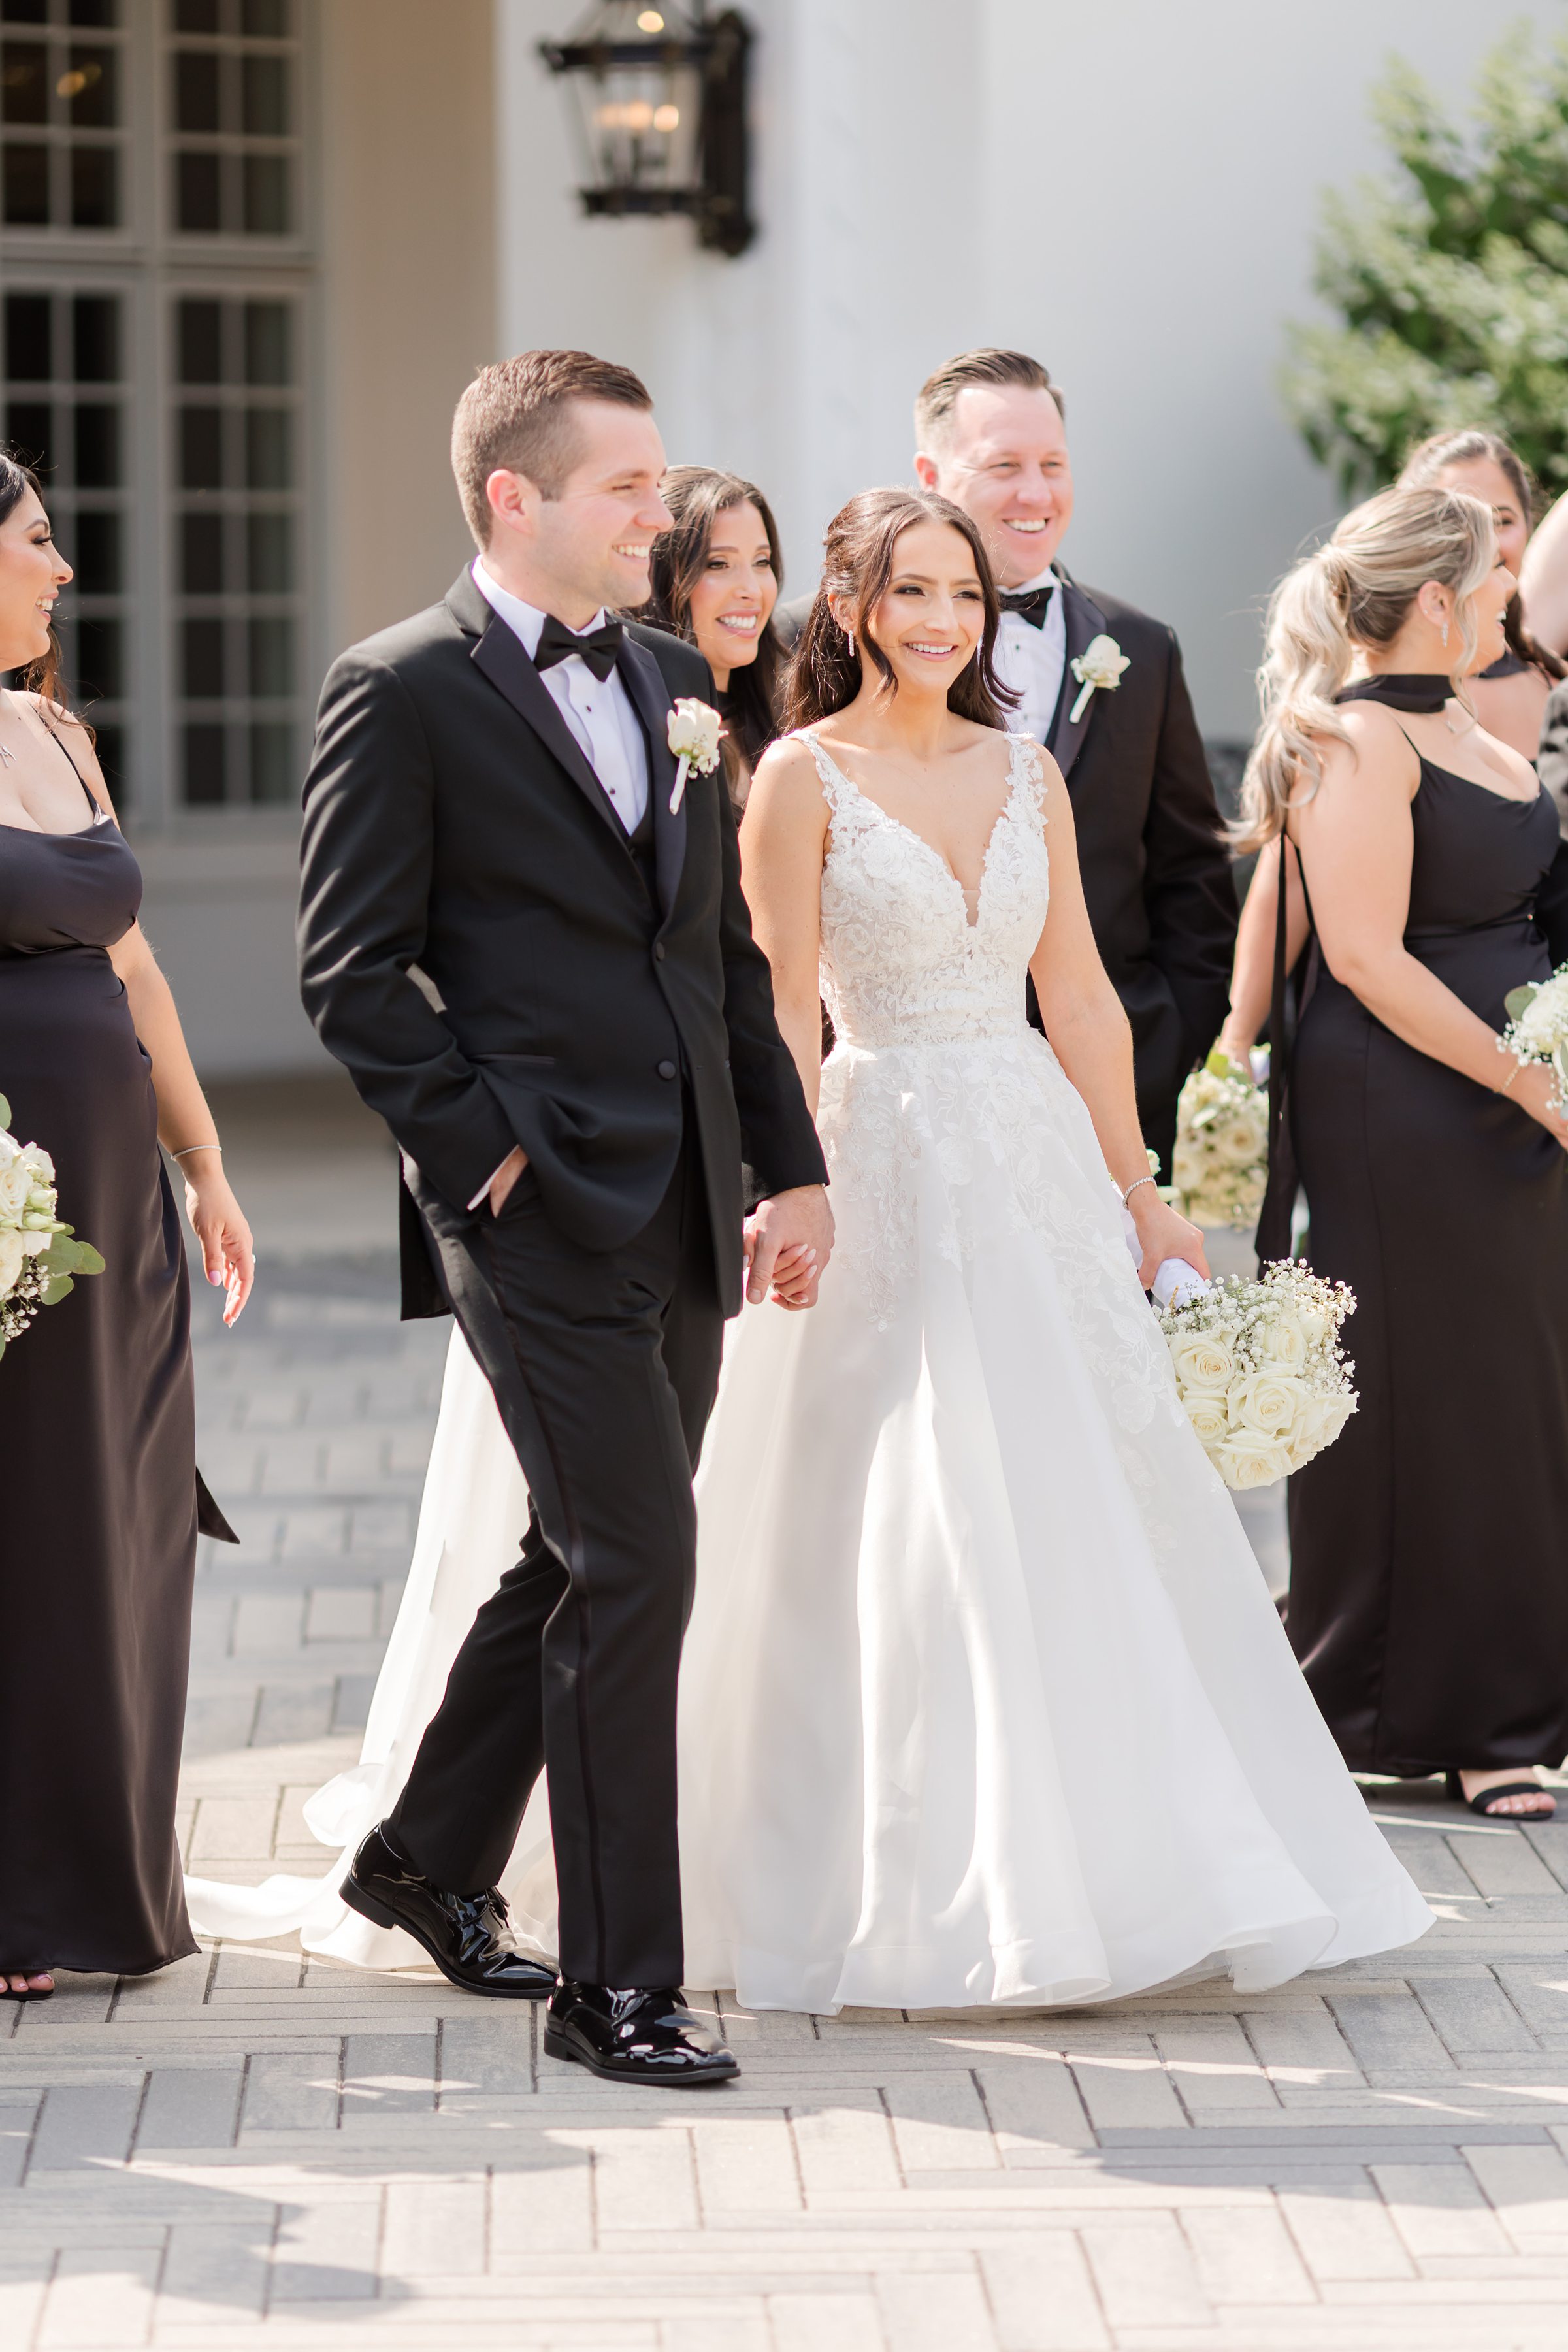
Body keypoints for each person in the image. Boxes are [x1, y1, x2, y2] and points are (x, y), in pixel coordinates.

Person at [246, 485, 1429, 2010]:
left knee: (1078, 1497)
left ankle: (1121, 1861)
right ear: (852, 608)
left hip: (1025, 1162)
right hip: (865, 1159)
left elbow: (1072, 992)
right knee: (891, 1508)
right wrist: (773, 1188)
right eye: (909, 593)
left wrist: (1137, 1192)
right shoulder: (796, 776)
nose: (942, 621)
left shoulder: (1028, 772)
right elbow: (775, 1006)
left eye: (964, 596)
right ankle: (858, 1877)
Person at [292, 350, 832, 2086]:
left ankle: (422, 1859)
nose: (661, 517)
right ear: (512, 498)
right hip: (529, 1208)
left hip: (683, 1199)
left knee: (585, 1552)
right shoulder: (398, 690)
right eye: (626, 489)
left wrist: (789, 1156)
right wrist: (486, 1159)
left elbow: (717, 960)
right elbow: (352, 975)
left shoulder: (675, 677)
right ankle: (622, 1991)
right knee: (641, 1565)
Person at [1242, 485, 1568, 1820]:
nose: (1510, 587)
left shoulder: (1479, 727)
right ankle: (1413, 1707)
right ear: (1438, 600)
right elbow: (1366, 956)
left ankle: (1510, 1695)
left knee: (1513, 1400)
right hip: (1408, 1110)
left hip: (1509, 1109)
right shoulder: (1358, 742)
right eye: (1494, 572)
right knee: (1426, 1402)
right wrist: (1524, 1075)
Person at [0, 453, 252, 2001]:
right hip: (7, 1207)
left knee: (119, 1517)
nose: (62, 571)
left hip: (112, 1196)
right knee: (22, 1525)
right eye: (37, 542)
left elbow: (139, 973)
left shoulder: (56, 731)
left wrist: (209, 1167)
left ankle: (108, 1885)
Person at [909, 349, 1238, 1178]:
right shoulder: (837, 637)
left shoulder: (1141, 649)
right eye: (1004, 466)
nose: (1037, 493)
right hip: (916, 1098)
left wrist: (1166, 1037)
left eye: (1053, 465)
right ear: (931, 474)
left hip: (1109, 1092)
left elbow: (1190, 870)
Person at [1221, 429, 1568, 1066]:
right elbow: (1291, 884)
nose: (1483, 538)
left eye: (1503, 520)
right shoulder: (1370, 715)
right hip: (1407, 1050)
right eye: (1456, 517)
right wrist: (1238, 1040)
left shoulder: (1551, 682)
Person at [642, 465, 786, 812]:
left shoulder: (787, 713)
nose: (752, 590)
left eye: (762, 562)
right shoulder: (635, 727)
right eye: (719, 564)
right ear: (661, 577)